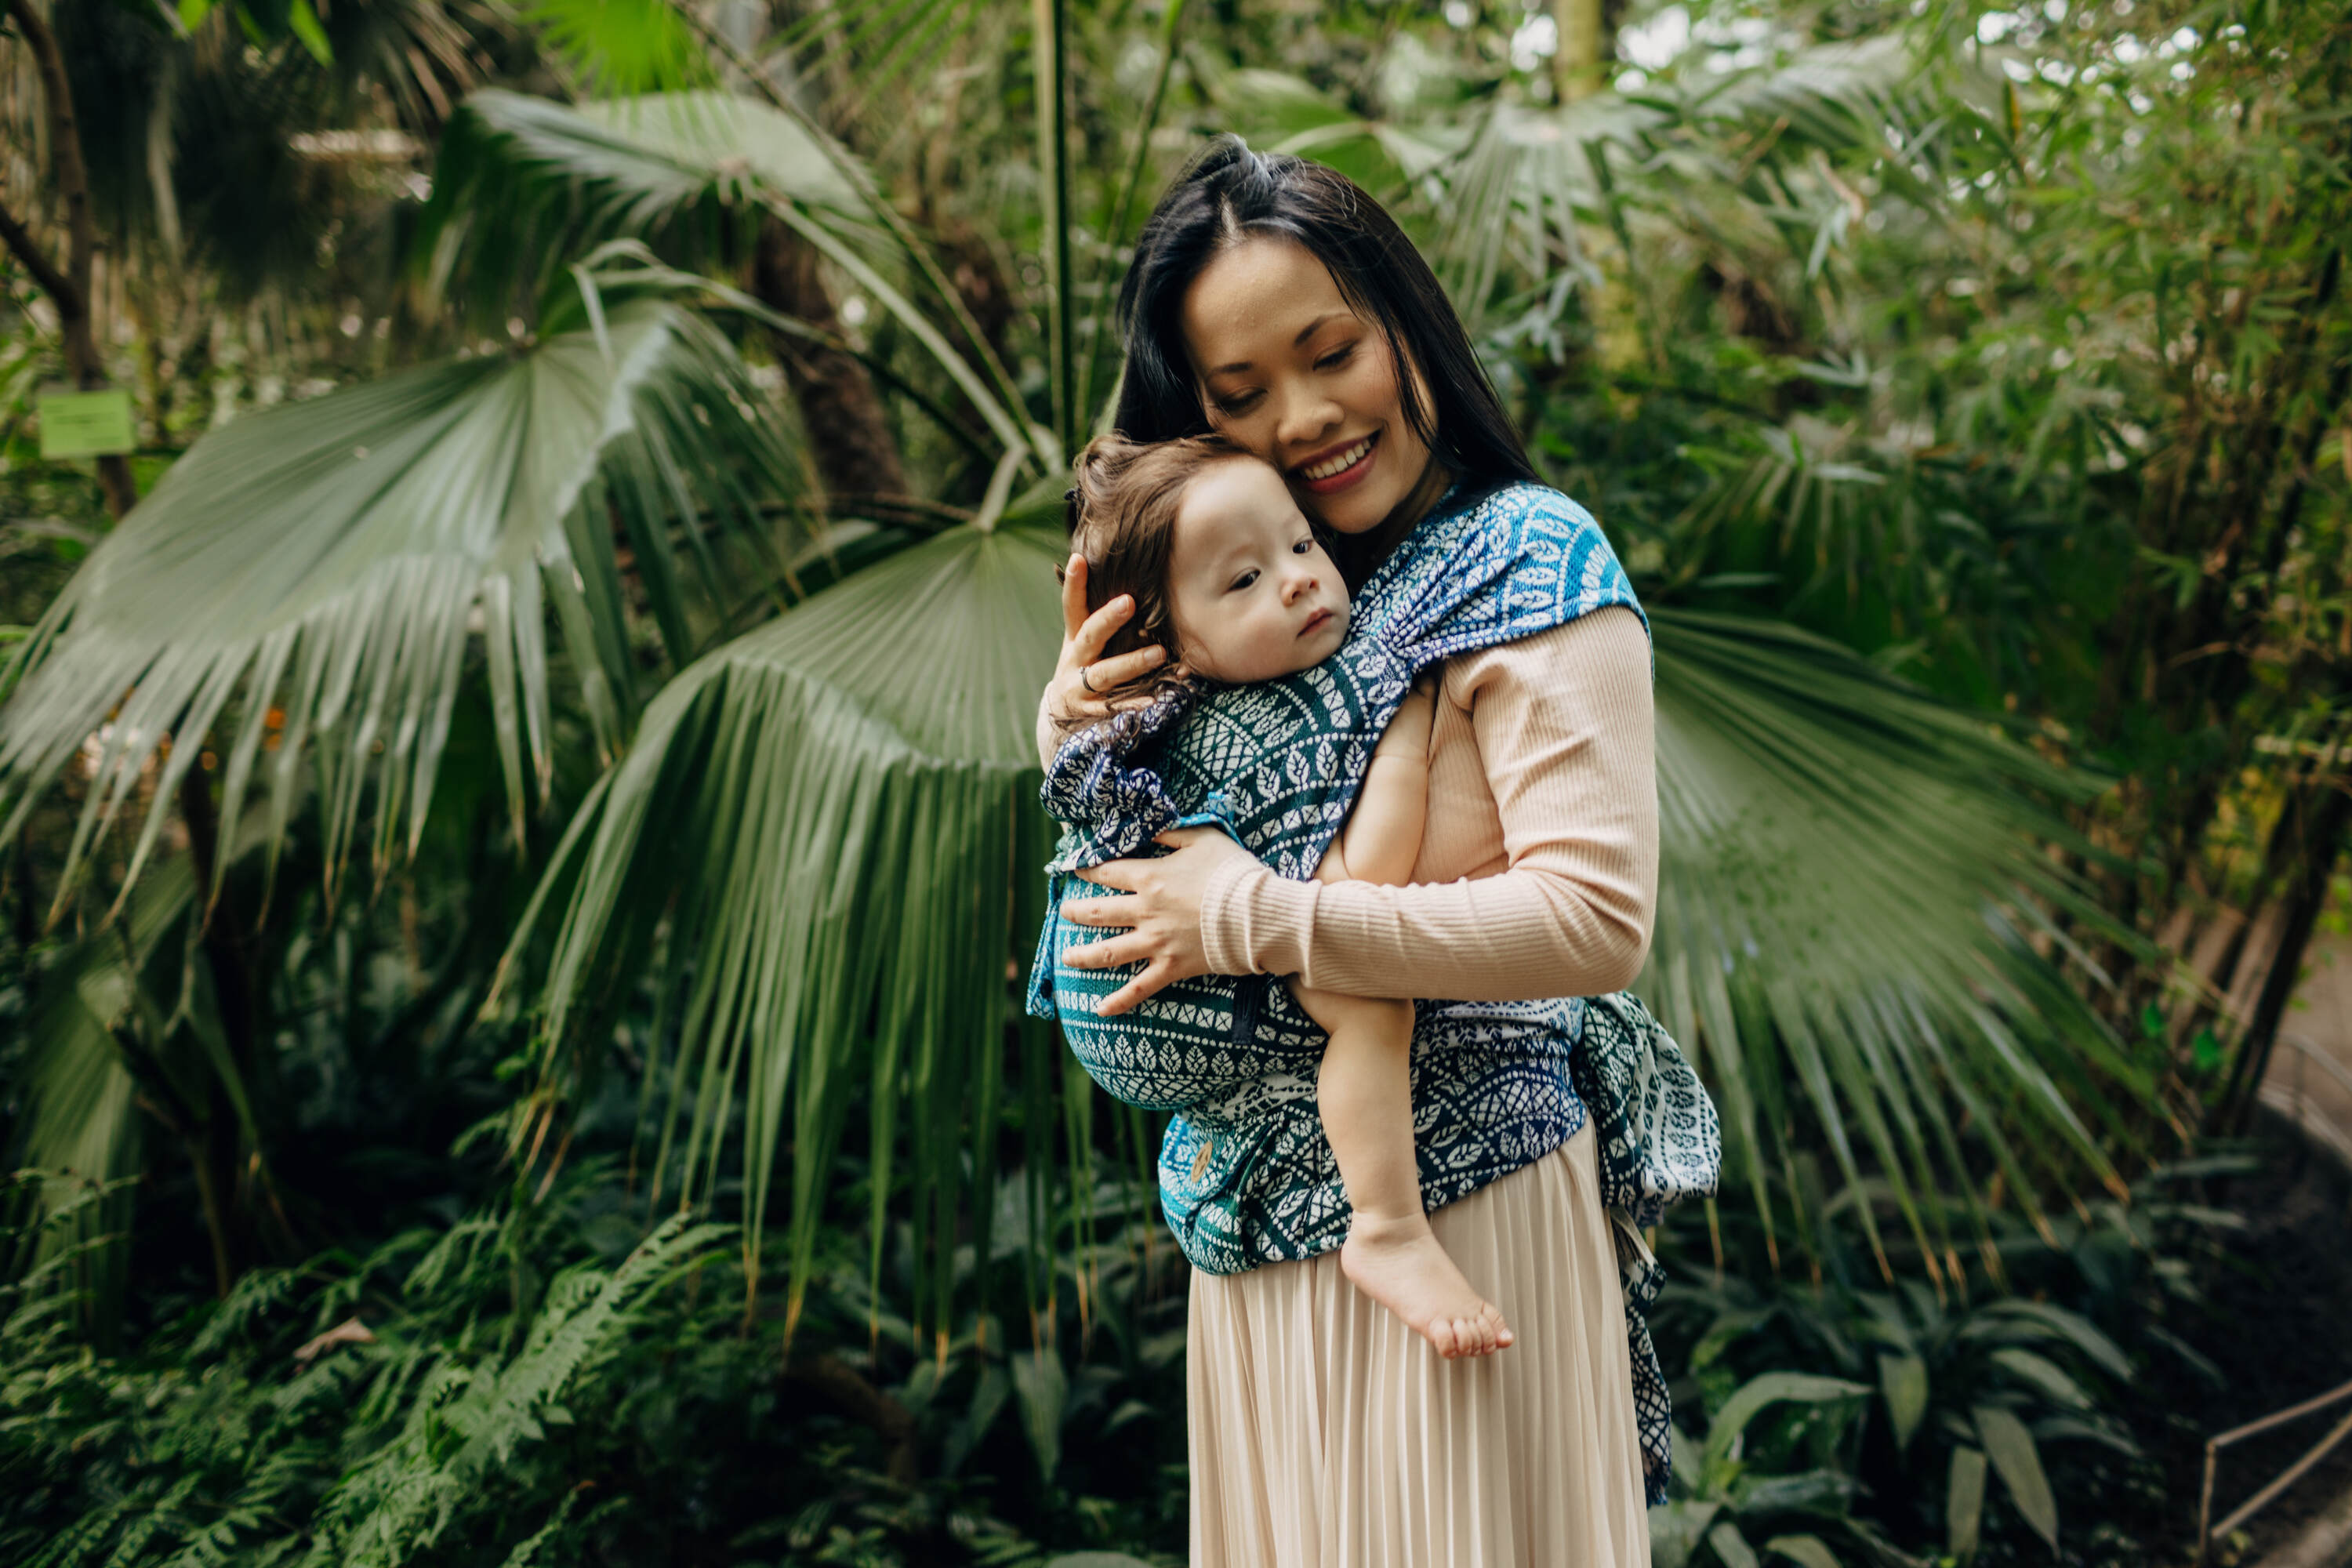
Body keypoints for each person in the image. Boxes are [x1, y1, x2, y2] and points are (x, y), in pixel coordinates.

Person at [1034, 137, 1660, 1566]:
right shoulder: (1263, 591)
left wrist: (1262, 918)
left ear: (1404, 323)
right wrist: (1071, 727)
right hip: (1249, 1237)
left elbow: (1593, 919)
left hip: (1461, 1218)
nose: (1306, 418)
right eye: (1241, 395)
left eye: (1332, 353)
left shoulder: (1524, 561)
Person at [1047, 431, 1513, 1360]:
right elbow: (1361, 891)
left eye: (1300, 544)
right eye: (1243, 580)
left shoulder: (1136, 711)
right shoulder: (1292, 714)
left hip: (1106, 979)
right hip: (1148, 982)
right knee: (1372, 996)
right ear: (1167, 639)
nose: (1299, 579)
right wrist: (1408, 743)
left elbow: (1070, 778)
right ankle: (1386, 1225)